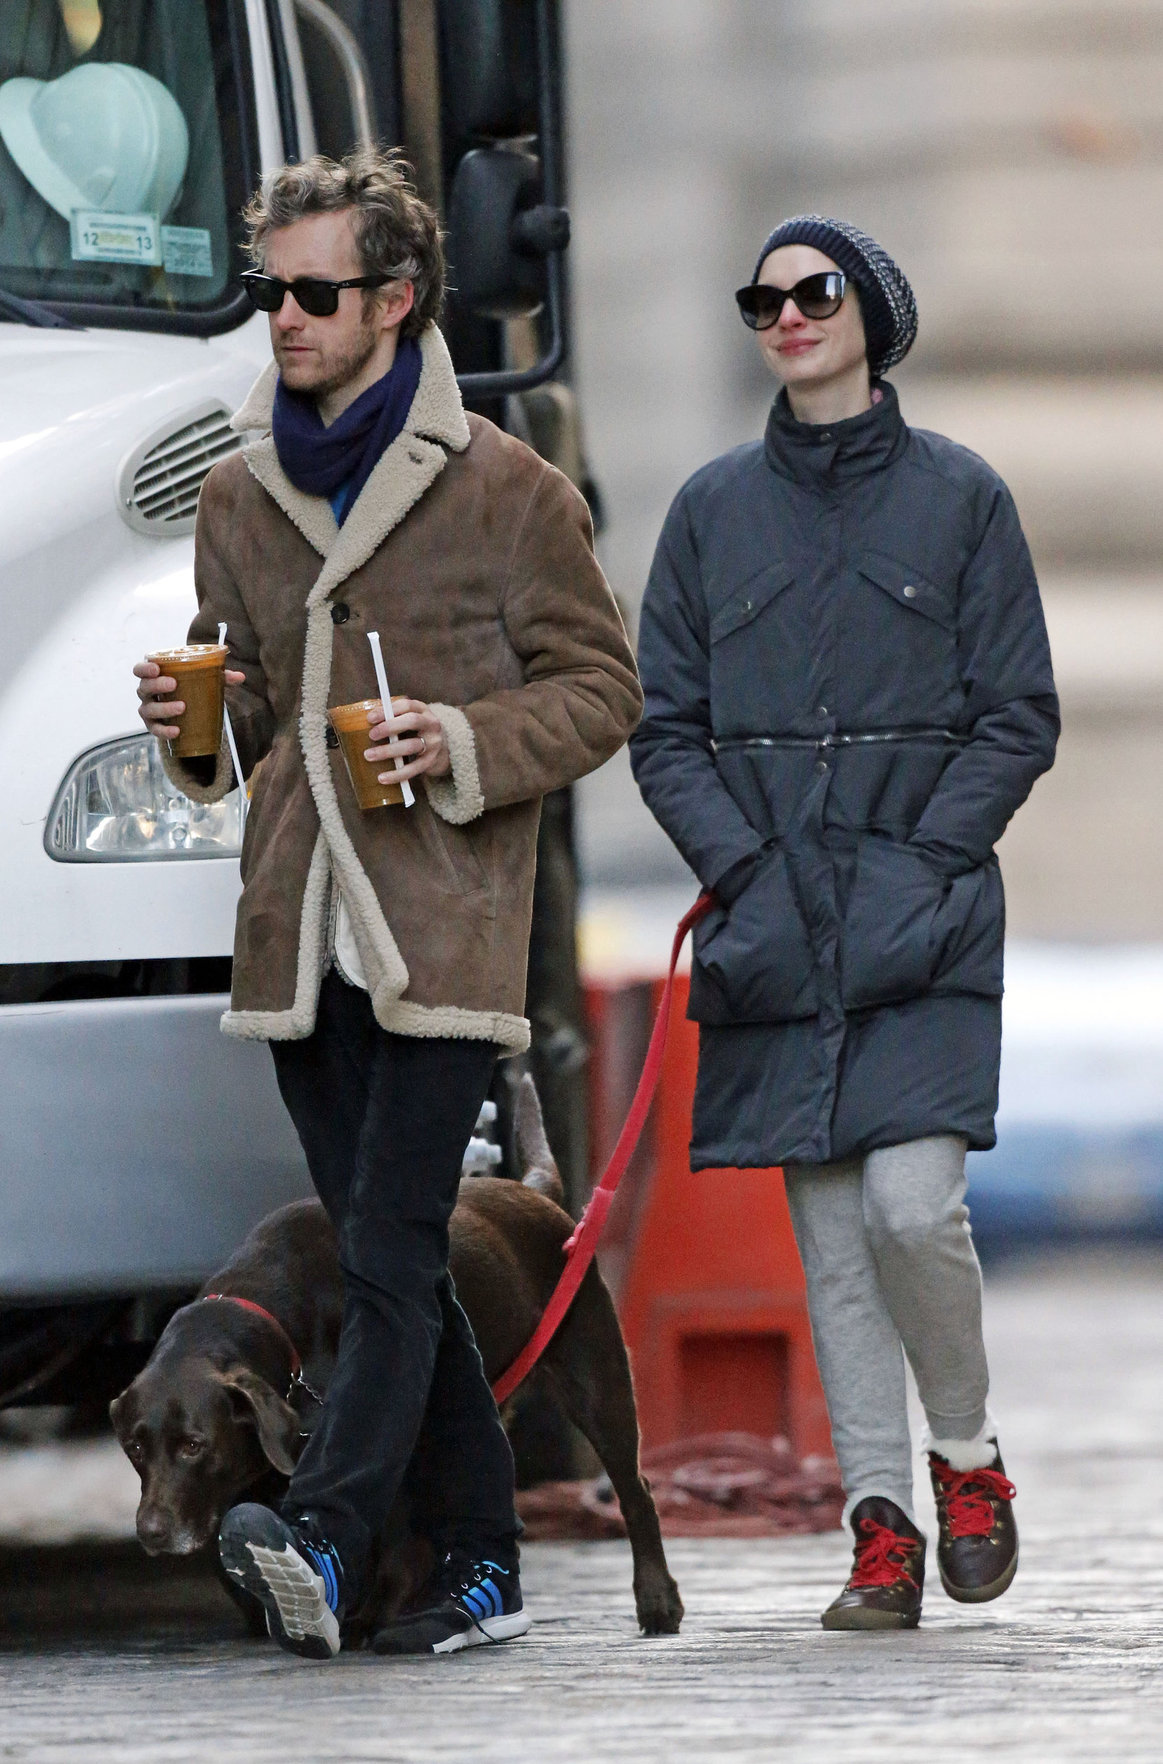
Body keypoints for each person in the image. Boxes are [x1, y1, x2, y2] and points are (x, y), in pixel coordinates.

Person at [133, 147, 641, 1660]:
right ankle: (481, 1563)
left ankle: (334, 1543)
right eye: (267, 291)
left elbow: (605, 690)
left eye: (311, 291)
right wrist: (184, 717)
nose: (282, 317)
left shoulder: (510, 492)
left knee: (388, 1247)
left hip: (440, 931)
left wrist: (465, 743)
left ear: (397, 300)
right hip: (301, 934)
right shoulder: (236, 491)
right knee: (395, 1260)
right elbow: (227, 751)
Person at [630, 215, 1057, 1630]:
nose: (787, 315)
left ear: (875, 313)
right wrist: (743, 871)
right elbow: (664, 728)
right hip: (773, 926)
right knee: (830, 1252)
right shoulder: (707, 510)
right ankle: (882, 1532)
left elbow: (1018, 716)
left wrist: (925, 860)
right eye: (763, 299)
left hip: (921, 925)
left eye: (814, 292)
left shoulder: (963, 498)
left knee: (908, 1209)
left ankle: (969, 1460)